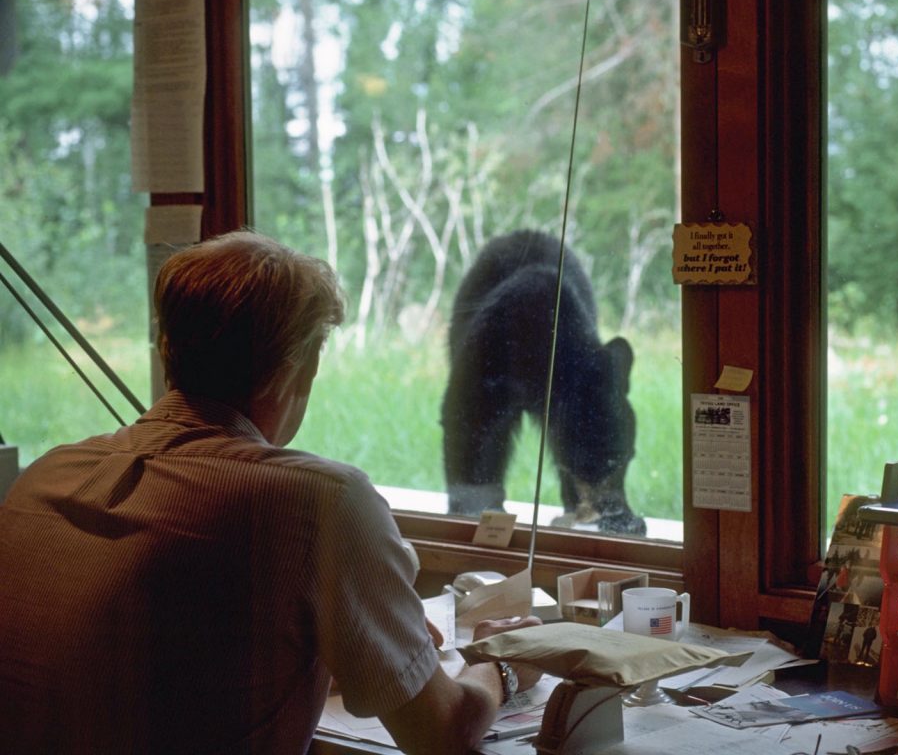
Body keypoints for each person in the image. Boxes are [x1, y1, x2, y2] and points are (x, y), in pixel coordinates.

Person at [0, 230, 541, 755]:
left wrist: (361, 643)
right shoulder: (321, 500)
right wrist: (500, 665)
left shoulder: (46, 475)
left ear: (167, 349)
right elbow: (443, 736)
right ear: (297, 368)